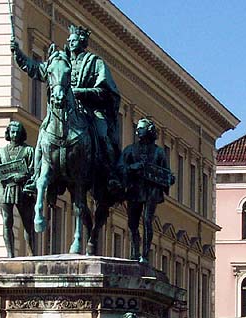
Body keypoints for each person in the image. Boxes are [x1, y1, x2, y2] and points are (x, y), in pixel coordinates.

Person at [11, 24, 122, 194]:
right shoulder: (61, 61)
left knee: (102, 134)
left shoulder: (95, 63)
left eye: (74, 40)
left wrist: (81, 92)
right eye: (69, 40)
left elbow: (105, 90)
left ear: (82, 42)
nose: (70, 42)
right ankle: (36, 176)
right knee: (42, 135)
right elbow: (36, 69)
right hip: (62, 109)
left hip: (89, 110)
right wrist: (18, 53)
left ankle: (111, 174)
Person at [120, 118, 175, 264]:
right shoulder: (130, 150)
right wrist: (133, 167)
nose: (138, 130)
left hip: (151, 191)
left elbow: (167, 173)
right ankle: (134, 252)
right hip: (134, 190)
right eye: (137, 128)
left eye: (142, 128)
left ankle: (144, 255)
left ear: (150, 130)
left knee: (147, 221)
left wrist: (169, 178)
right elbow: (120, 168)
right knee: (132, 223)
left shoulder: (159, 152)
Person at [0, 121, 35, 257]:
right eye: (12, 132)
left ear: (22, 134)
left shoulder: (28, 151)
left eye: (17, 132)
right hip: (5, 189)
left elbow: (34, 170)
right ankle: (10, 254)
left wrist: (22, 176)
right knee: (6, 221)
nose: (15, 135)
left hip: (23, 190)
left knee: (28, 223)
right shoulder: (1, 152)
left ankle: (31, 253)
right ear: (8, 134)